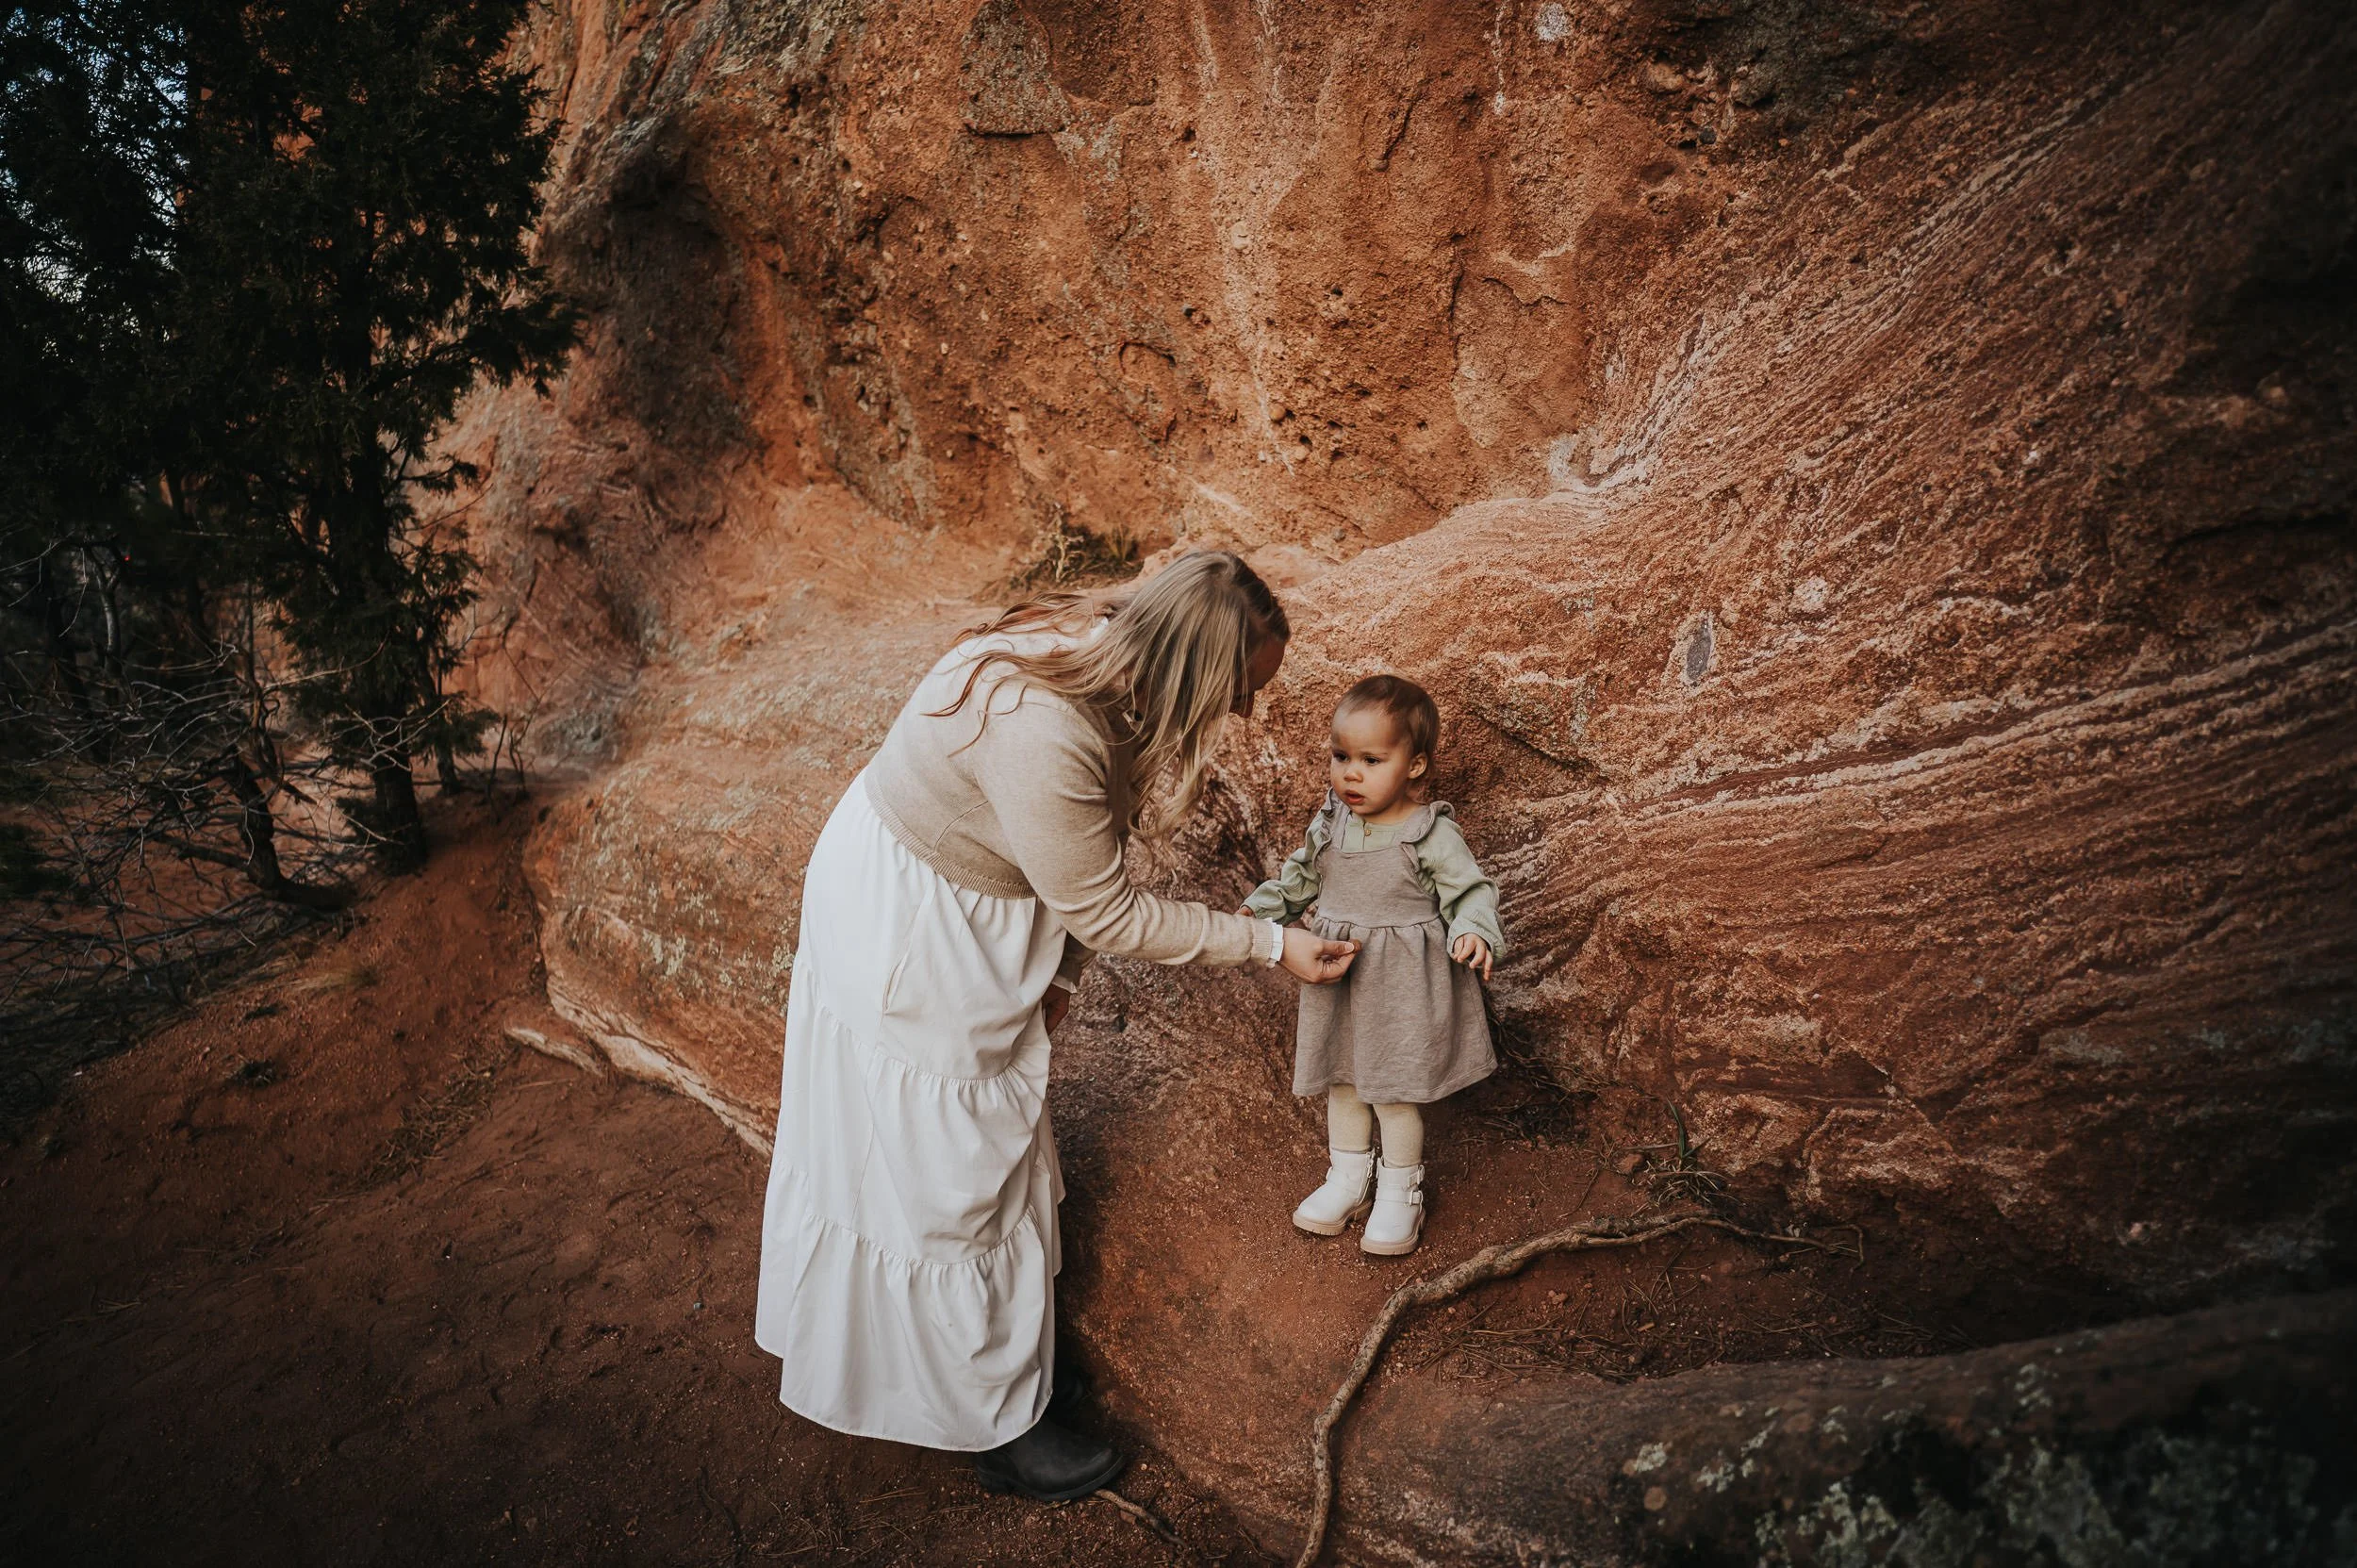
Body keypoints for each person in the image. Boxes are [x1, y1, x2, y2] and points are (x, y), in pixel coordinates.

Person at [753, 551, 1360, 1502]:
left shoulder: (1089, 651)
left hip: (950, 902)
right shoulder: (1044, 730)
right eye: (1239, 692)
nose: (1240, 716)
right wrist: (1265, 943)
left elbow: (1080, 863)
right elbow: (1108, 908)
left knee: (969, 1152)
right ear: (1192, 673)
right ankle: (992, 1426)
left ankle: (996, 1376)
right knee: (954, 1173)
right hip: (916, 932)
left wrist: (1057, 972)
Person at [1244, 674, 1505, 1257]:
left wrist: (1473, 930)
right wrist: (1256, 913)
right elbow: (1298, 879)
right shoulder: (1330, 824)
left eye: (1371, 759)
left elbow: (1469, 892)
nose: (1350, 773)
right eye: (1340, 756)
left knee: (1392, 1091)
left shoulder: (1427, 832)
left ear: (1414, 766)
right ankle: (1347, 1178)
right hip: (1341, 976)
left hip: (1403, 985)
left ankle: (1399, 1190)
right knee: (1343, 1081)